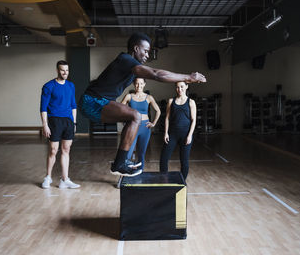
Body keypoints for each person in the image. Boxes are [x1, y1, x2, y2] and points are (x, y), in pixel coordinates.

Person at [79, 32, 206, 177]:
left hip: (99, 102)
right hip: (92, 101)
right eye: (145, 51)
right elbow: (156, 74)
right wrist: (188, 77)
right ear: (135, 49)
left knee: (133, 119)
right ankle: (119, 164)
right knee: (135, 116)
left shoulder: (133, 67)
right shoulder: (125, 59)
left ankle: (121, 162)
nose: (147, 55)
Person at [40, 60, 80, 189]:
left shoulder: (71, 86)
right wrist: (45, 125)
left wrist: (74, 123)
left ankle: (65, 179)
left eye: (67, 70)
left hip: (68, 121)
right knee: (53, 150)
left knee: (66, 150)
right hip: (54, 121)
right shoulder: (48, 86)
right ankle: (48, 178)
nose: (65, 73)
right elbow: (43, 107)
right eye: (63, 70)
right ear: (57, 70)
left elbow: (73, 105)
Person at [121, 78, 161, 171]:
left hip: (145, 128)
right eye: (137, 83)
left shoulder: (149, 97)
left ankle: (140, 172)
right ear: (134, 84)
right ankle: (123, 175)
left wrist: (153, 123)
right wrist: (126, 121)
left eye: (141, 83)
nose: (139, 86)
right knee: (128, 153)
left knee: (141, 153)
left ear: (144, 84)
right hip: (133, 127)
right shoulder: (128, 96)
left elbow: (158, 111)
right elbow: (120, 110)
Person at [159, 82, 196, 181]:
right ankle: (164, 180)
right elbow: (167, 118)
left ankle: (182, 182)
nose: (179, 89)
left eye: (182, 87)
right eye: (177, 87)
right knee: (163, 158)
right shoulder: (171, 101)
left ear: (187, 87)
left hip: (185, 135)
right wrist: (166, 132)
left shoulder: (191, 102)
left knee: (184, 161)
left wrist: (190, 135)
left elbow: (193, 120)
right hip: (172, 134)